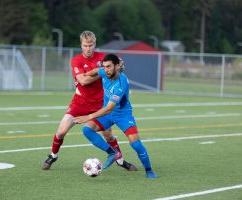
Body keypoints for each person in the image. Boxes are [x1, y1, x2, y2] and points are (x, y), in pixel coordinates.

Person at [41, 31, 137, 171]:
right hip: (79, 104)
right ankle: (53, 155)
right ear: (81, 45)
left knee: (108, 135)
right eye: (85, 45)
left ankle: (120, 160)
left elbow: (119, 66)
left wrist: (117, 67)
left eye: (91, 45)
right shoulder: (76, 60)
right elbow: (83, 81)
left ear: (94, 44)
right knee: (61, 132)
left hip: (99, 104)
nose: (88, 48)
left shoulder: (103, 57)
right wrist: (102, 72)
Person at [74, 53, 157, 179]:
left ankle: (149, 170)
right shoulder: (104, 72)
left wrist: (88, 117)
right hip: (108, 114)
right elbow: (96, 71)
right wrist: (86, 74)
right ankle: (112, 153)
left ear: (117, 66)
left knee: (136, 144)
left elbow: (109, 108)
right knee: (87, 130)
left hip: (123, 115)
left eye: (109, 67)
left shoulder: (121, 83)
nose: (106, 70)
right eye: (104, 66)